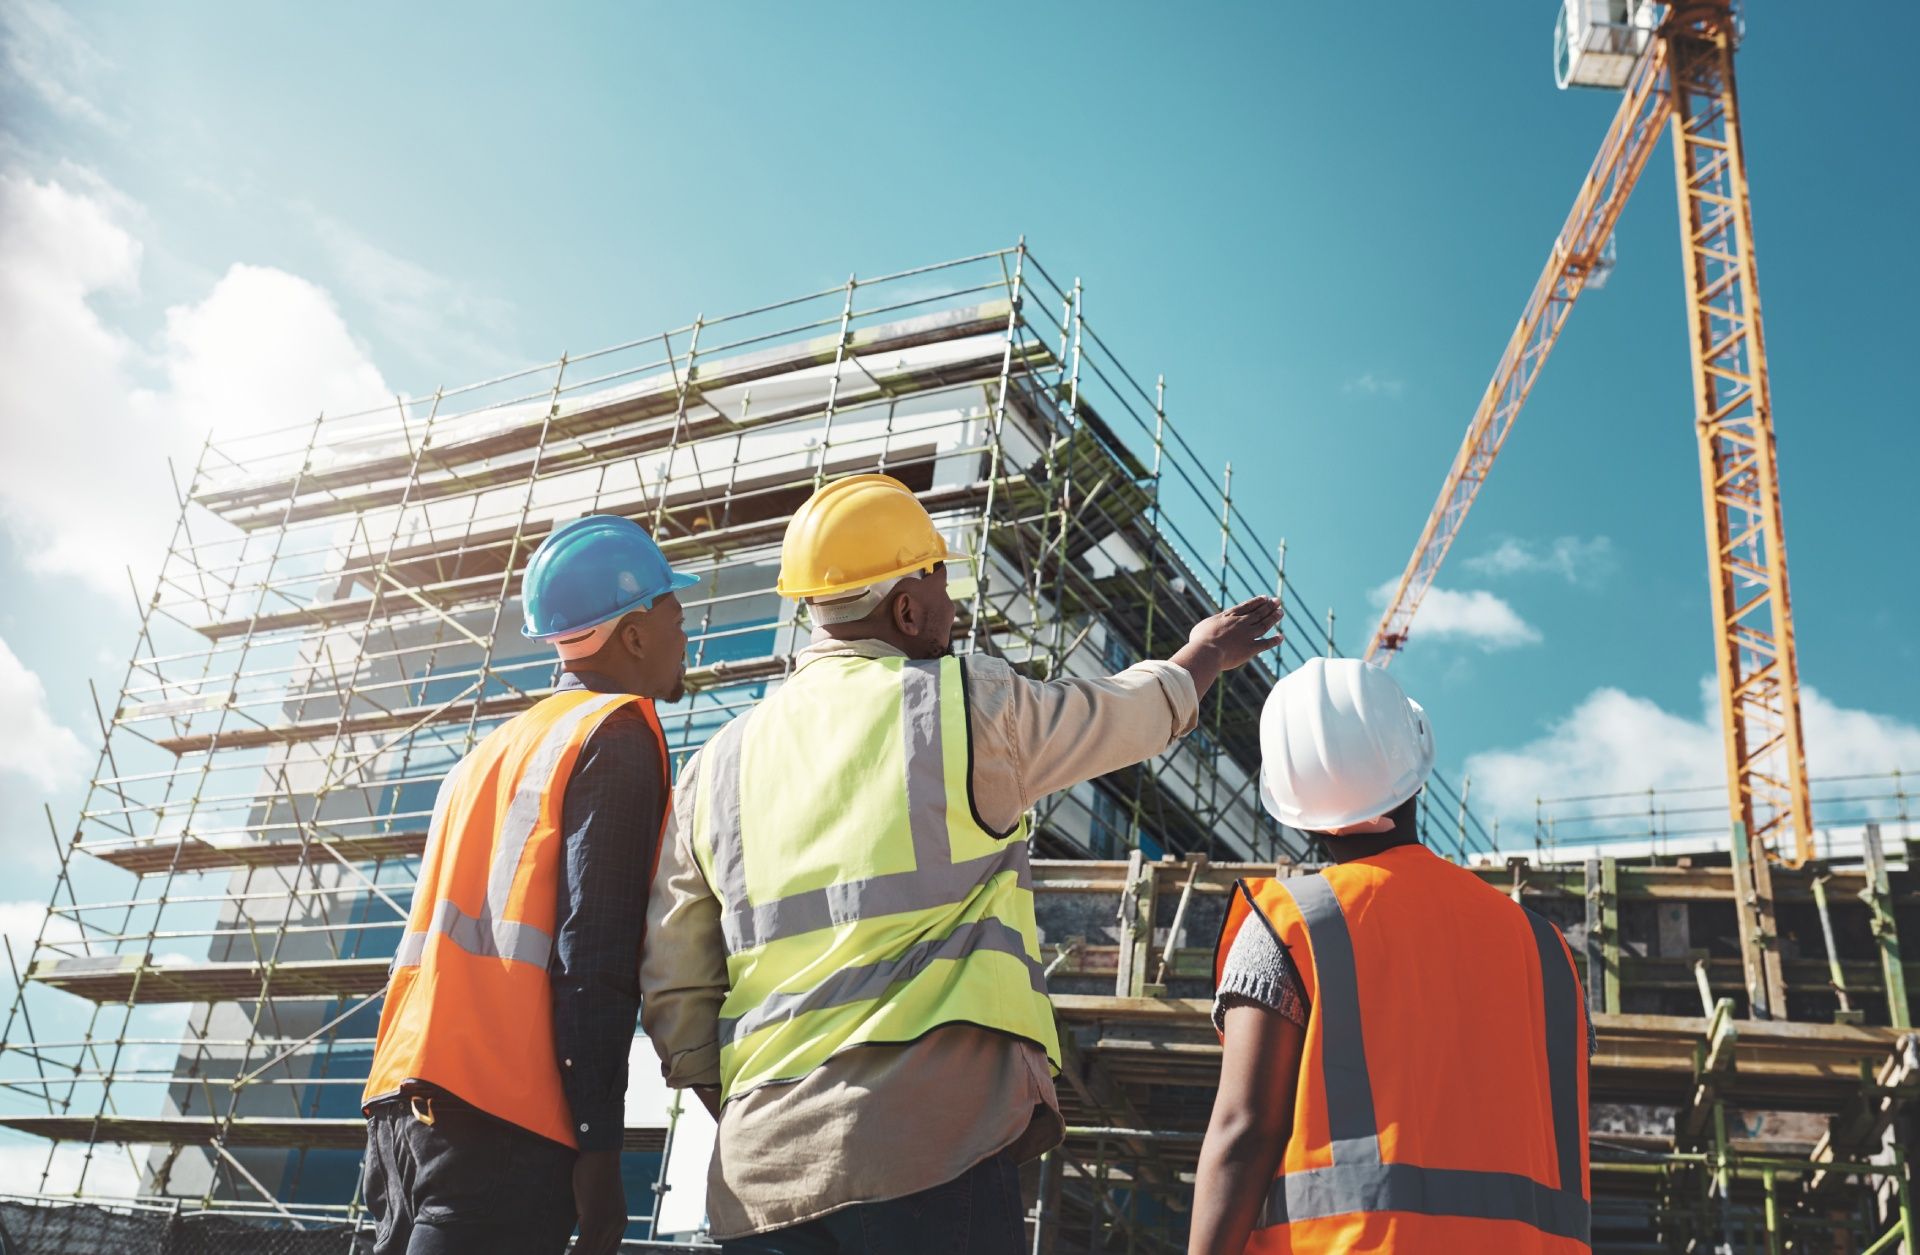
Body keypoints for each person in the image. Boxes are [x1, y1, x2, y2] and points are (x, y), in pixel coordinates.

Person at [640, 472, 1283, 1252]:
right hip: (931, 1151)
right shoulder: (961, 702)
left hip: (764, 1175)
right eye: (942, 580)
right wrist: (1201, 656)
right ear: (905, 606)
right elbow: (1120, 714)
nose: (954, 606)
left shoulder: (713, 766)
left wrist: (749, 1108)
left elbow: (675, 988)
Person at [360, 514, 697, 1255]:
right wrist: (600, 1150)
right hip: (502, 1116)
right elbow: (593, 954)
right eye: (677, 613)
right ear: (633, 634)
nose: (686, 633)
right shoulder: (616, 730)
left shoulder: (494, 749)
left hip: (403, 1101)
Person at [1190, 658, 1592, 1253]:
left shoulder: (1289, 923)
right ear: (1416, 773)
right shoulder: (1548, 948)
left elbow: (1243, 1131)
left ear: (1292, 805)